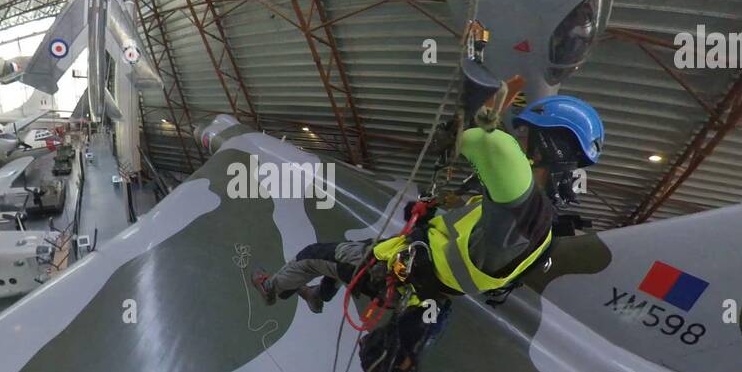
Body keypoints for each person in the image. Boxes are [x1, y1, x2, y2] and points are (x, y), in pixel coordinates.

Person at [253, 58, 605, 313]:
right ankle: (321, 294)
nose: (520, 138)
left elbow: (490, 143)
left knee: (313, 255)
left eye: (528, 134)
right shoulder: (539, 225)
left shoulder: (522, 200)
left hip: (393, 274)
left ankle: (272, 289)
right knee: (351, 251)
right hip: (424, 282)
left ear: (547, 148)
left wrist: (480, 104)